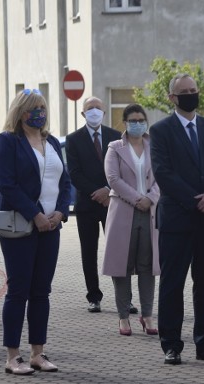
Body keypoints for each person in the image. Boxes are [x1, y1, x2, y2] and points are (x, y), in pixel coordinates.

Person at [0, 89, 72, 375]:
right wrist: (35, 214)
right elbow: (7, 184)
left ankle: (38, 352)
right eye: (33, 108)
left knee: (41, 292)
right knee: (19, 290)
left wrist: (61, 211)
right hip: (21, 226)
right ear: (21, 111)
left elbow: (65, 181)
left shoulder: (50, 141)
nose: (40, 112)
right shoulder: (8, 141)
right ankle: (13, 357)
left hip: (51, 226)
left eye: (42, 107)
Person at [150, 73, 204, 366]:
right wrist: (198, 200)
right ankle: (171, 345)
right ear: (172, 98)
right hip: (177, 219)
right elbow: (163, 172)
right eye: (184, 91)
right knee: (172, 283)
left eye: (194, 90)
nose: (191, 95)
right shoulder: (161, 130)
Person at [66, 96, 138, 315]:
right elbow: (75, 173)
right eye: (90, 109)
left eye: (98, 108)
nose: (94, 111)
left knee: (120, 251)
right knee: (89, 252)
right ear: (83, 114)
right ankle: (94, 297)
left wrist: (108, 190)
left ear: (104, 112)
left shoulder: (116, 137)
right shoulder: (73, 139)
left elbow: (124, 168)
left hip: (114, 202)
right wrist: (96, 192)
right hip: (87, 204)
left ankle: (125, 299)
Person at [102, 104, 160, 336]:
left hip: (150, 212)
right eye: (133, 120)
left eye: (141, 119)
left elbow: (161, 177)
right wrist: (138, 199)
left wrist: (151, 198)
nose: (137, 123)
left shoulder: (153, 147)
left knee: (148, 265)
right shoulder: (115, 148)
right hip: (124, 211)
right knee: (122, 266)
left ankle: (147, 314)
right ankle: (123, 317)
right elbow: (113, 179)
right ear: (125, 123)